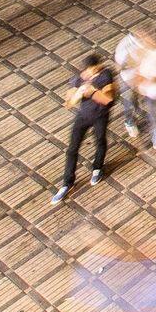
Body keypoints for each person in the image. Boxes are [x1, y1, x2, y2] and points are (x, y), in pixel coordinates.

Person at [53, 54, 117, 203]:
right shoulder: (79, 79)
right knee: (72, 149)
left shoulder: (106, 75)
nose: (91, 72)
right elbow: (68, 102)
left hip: (100, 115)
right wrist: (76, 94)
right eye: (89, 70)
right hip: (83, 116)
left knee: (100, 140)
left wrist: (93, 92)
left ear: (98, 66)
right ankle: (67, 182)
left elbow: (108, 100)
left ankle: (97, 168)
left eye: (93, 69)